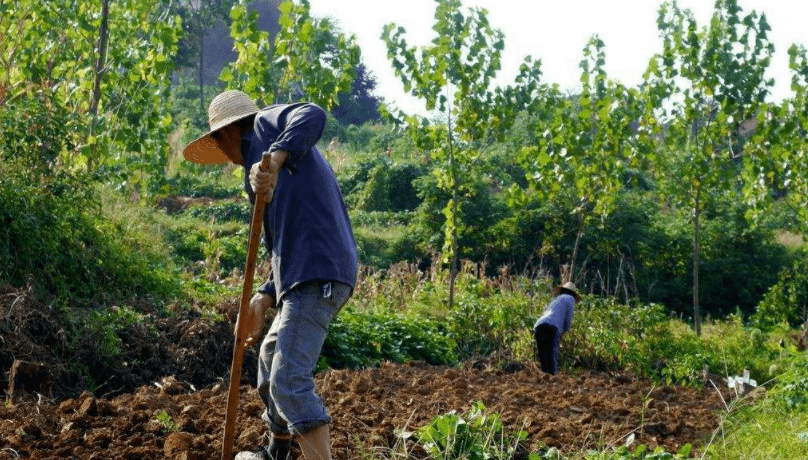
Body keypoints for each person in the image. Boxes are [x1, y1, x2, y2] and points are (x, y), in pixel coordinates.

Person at [183, 90, 358, 460]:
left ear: (228, 132)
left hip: (318, 271)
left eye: (218, 140)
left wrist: (276, 159)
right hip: (300, 275)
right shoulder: (255, 176)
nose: (223, 152)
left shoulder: (267, 127)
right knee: (269, 354)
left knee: (289, 381)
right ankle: (276, 453)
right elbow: (280, 242)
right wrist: (263, 297)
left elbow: (312, 113)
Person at [533, 281, 579, 375]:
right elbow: (568, 318)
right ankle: (553, 377)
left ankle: (545, 378)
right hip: (552, 327)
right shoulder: (570, 298)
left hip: (539, 325)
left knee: (543, 355)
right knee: (551, 354)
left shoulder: (555, 299)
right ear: (573, 293)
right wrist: (566, 329)